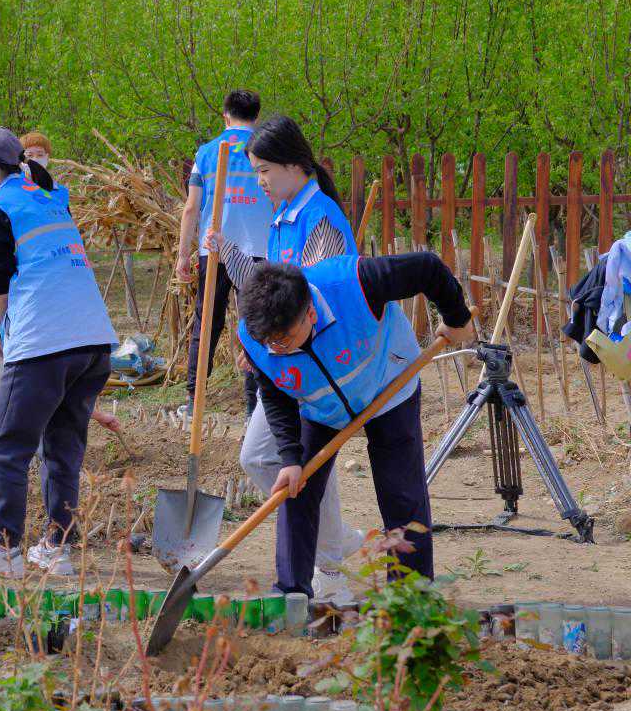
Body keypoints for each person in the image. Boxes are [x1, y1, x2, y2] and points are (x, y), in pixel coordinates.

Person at [236, 255, 475, 598]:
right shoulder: (256, 336)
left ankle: (411, 598)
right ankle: (291, 595)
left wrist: (456, 319)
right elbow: (275, 394)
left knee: (401, 494)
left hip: (389, 384)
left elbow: (428, 268)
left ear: (310, 313)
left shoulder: (356, 283)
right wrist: (289, 458)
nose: (277, 350)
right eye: (269, 343)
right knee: (296, 489)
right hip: (320, 407)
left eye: (284, 341)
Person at [0, 126, 117, 577]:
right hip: (93, 341)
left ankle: (4, 546)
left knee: (5, 442)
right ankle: (57, 548)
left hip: (45, 341)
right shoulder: (50, 196)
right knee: (62, 446)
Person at [203, 114, 362, 602]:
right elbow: (272, 286)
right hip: (289, 358)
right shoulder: (283, 216)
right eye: (256, 171)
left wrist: (277, 342)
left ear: (294, 165)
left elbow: (313, 299)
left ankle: (332, 569)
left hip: (319, 362)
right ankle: (336, 541)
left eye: (265, 170)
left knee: (302, 465)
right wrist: (228, 253)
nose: (261, 181)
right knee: (262, 457)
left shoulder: (321, 220)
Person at [174, 90, 273, 421]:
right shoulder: (265, 150)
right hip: (259, 249)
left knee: (207, 322)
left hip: (214, 249)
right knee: (254, 323)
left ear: (225, 115)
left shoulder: (206, 152)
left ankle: (194, 400)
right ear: (256, 116)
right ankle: (253, 407)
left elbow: (191, 208)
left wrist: (183, 255)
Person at [0, 334, 122, 481]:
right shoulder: (17, 353)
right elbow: (52, 396)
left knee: (20, 398)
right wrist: (98, 415)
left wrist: (97, 415)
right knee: (28, 401)